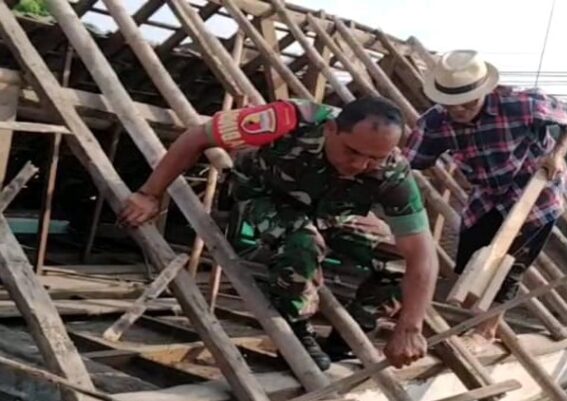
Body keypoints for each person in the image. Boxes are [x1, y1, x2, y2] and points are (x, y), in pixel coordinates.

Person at [119, 96, 438, 371]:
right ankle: (296, 331)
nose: (360, 164)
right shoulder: (286, 119)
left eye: (375, 159)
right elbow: (196, 138)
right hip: (264, 195)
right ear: (331, 129)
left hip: (332, 213)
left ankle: (346, 340)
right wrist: (150, 194)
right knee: (303, 241)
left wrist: (410, 326)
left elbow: (422, 253)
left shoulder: (394, 172)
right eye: (352, 152)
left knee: (396, 259)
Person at [405, 50, 567, 343]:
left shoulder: (522, 103)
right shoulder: (435, 122)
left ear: (484, 91)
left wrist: (557, 154)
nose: (461, 110)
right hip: (488, 195)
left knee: (507, 267)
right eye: (453, 105)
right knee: (469, 263)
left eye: (468, 103)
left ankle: (484, 333)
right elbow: (409, 161)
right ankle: (459, 327)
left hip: (535, 194)